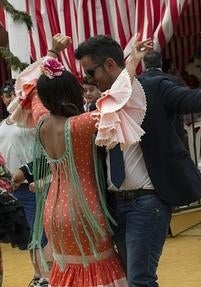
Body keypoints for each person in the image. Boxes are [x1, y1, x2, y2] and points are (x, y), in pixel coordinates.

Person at [74, 34, 201, 286]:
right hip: (114, 205)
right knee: (133, 277)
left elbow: (189, 100)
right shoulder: (101, 105)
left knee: (140, 279)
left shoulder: (151, 87)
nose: (88, 80)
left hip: (147, 202)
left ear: (108, 64)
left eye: (89, 73)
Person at [9, 33, 153, 286]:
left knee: (69, 272)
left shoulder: (42, 122)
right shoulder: (81, 125)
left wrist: (52, 53)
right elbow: (117, 99)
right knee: (97, 270)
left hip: (53, 209)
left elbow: (30, 87)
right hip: (84, 210)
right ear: (71, 92)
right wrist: (132, 63)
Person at [0, 80, 51, 287]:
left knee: (41, 235)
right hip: (12, 190)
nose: (10, 98)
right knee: (28, 236)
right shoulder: (1, 126)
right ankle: (39, 275)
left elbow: (45, 153)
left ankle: (49, 277)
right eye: (6, 95)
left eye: (14, 94)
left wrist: (38, 178)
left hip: (32, 186)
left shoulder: (30, 124)